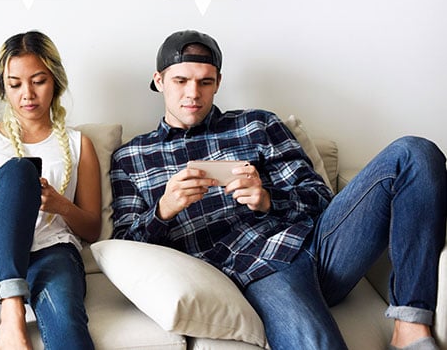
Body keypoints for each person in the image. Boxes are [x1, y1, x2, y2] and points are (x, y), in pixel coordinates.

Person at [110, 29, 447, 350]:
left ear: (218, 84)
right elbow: (125, 248)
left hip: (322, 245)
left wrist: (267, 199)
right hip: (255, 269)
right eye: (180, 81)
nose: (193, 94)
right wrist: (165, 209)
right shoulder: (131, 157)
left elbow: (319, 197)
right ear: (159, 81)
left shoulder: (257, 124)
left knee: (413, 152)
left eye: (205, 82)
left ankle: (410, 327)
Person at [0, 30, 101, 350]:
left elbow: (93, 228)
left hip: (53, 251)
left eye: (39, 80)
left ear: (56, 82)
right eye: (15, 84)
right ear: (3, 88)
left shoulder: (79, 145)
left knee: (66, 317)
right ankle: (12, 310)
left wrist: (60, 205)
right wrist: (11, 199)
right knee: (19, 171)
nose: (27, 94)